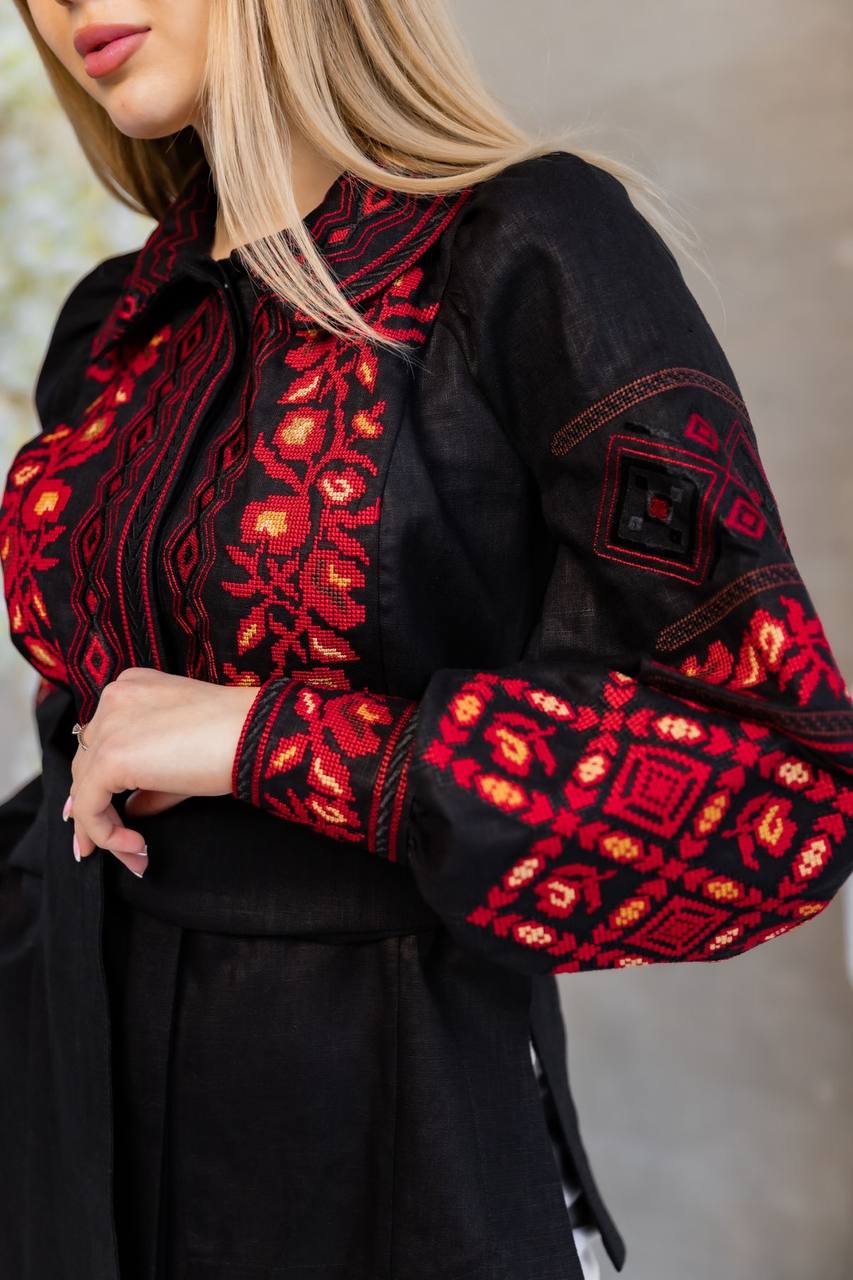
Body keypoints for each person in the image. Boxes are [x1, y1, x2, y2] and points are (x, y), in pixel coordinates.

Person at [2, 1, 852, 1278]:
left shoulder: (522, 248)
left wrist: (274, 739)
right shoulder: (116, 328)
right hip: (71, 1141)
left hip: (389, 1151)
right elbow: (85, 761)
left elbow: (782, 789)